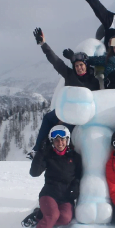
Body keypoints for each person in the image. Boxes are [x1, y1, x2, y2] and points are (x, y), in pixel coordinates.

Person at [27, 27, 100, 160]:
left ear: (86, 65)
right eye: (76, 66)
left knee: (60, 132)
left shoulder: (93, 82)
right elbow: (55, 61)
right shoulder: (70, 75)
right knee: (48, 118)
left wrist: (66, 117)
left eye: (81, 65)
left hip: (78, 116)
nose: (79, 68)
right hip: (65, 111)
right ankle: (37, 150)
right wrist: (43, 44)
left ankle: (54, 156)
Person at [20, 125, 82, 228]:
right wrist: (41, 152)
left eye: (62, 140)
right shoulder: (48, 155)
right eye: (56, 140)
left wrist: (75, 188)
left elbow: (78, 176)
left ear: (67, 140)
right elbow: (34, 173)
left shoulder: (75, 157)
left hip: (66, 196)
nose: (60, 143)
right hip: (49, 194)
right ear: (52, 142)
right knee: (52, 216)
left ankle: (39, 214)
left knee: (65, 219)